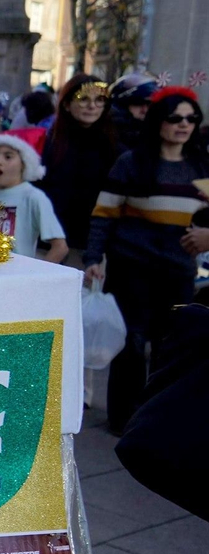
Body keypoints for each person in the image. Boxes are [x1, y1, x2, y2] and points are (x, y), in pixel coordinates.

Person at [84, 89, 209, 432]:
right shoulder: (131, 163)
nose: (184, 125)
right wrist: (94, 258)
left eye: (191, 118)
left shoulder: (202, 164)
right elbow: (104, 214)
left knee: (169, 347)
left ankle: (154, 421)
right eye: (175, 118)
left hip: (179, 270)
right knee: (131, 346)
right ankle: (123, 419)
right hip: (131, 268)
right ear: (159, 122)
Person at [39, 74, 121, 258]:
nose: (92, 106)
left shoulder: (115, 146)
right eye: (83, 99)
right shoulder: (48, 143)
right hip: (50, 242)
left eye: (99, 100)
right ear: (66, 104)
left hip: (94, 245)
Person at [0, 132, 69, 262]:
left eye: (8, 157)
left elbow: (60, 247)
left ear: (24, 163)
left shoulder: (33, 197)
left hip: (16, 277)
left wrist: (36, 277)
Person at [109, 71, 159, 150]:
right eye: (138, 104)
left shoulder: (156, 136)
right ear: (122, 105)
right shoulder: (109, 137)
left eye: (150, 105)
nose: (145, 110)